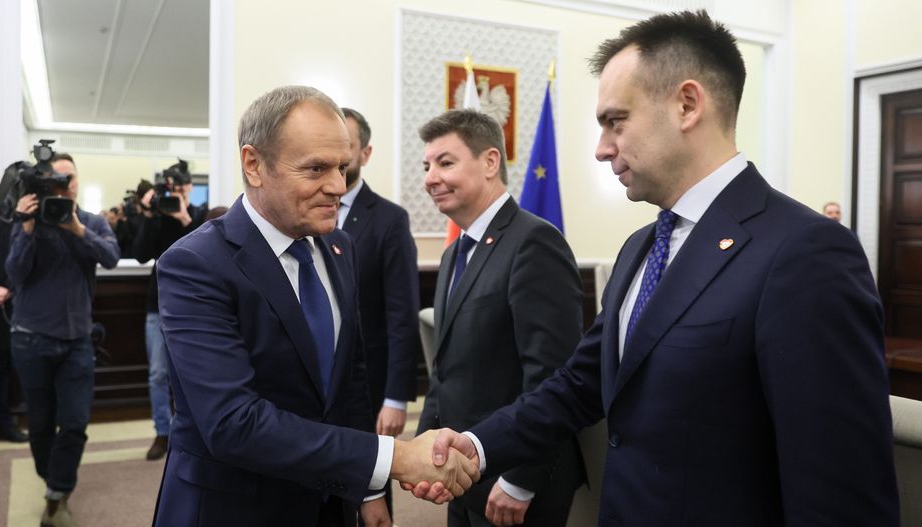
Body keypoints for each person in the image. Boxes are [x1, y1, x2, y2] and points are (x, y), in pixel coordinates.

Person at [417, 10, 900, 525]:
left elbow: (840, 488)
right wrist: (477, 445)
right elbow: (579, 385)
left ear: (687, 105)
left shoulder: (806, 253)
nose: (601, 149)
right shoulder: (639, 248)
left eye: (615, 121)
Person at [151, 85, 478, 527]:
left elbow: (351, 382)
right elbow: (233, 423)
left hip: (329, 504)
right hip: (236, 508)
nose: (338, 187)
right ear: (254, 165)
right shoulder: (195, 264)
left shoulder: (339, 248)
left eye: (342, 167)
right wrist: (396, 459)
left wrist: (369, 490)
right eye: (316, 168)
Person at [418, 109, 586, 527]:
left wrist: (520, 480)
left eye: (445, 162)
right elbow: (445, 369)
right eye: (426, 166)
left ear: (490, 162)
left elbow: (552, 376)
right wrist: (425, 447)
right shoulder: (454, 254)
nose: (430, 178)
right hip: (463, 474)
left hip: (514, 483)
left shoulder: (534, 242)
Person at [6, 153, 120, 527]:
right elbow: (15, 273)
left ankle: (57, 494)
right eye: (57, 179)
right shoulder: (30, 221)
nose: (64, 185)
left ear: (77, 181)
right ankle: (53, 481)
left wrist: (77, 229)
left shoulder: (90, 222)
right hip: (31, 340)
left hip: (77, 342)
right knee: (40, 425)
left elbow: (111, 257)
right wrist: (25, 226)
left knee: (74, 423)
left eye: (69, 178)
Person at [337, 108, 420, 518]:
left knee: (371, 485)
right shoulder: (304, 213)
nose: (337, 158)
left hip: (370, 384)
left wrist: (395, 397)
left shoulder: (389, 220)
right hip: (319, 383)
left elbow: (401, 313)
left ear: (365, 153)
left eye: (346, 147)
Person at [132, 162, 207, 461]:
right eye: (171, 187)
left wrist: (185, 218)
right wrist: (150, 216)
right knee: (157, 374)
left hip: (194, 306)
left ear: (189, 187)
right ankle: (163, 432)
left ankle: (194, 432)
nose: (177, 191)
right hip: (158, 303)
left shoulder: (200, 215)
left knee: (194, 373)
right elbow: (140, 255)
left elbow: (206, 252)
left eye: (181, 186)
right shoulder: (158, 216)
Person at [0, 168, 28, 443]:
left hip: (0, 304)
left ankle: (2, 424)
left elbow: (18, 258)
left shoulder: (5, 217)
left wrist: (8, 290)